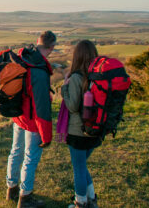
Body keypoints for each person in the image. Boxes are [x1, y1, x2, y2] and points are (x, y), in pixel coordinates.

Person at [6, 31, 56, 208]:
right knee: (30, 157)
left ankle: (11, 188)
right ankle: (25, 197)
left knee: (16, 150)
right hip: (31, 120)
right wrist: (46, 136)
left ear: (37, 42)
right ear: (51, 48)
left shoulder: (23, 57)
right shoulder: (39, 69)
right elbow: (41, 107)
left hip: (18, 115)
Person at [61, 40, 101, 208]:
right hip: (96, 129)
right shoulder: (99, 76)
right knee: (82, 166)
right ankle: (91, 198)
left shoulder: (77, 77)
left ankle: (81, 202)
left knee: (78, 168)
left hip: (78, 132)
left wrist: (64, 88)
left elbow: (72, 106)